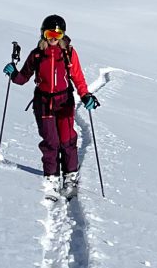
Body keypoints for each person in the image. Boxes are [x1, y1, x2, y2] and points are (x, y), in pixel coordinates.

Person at [5, 14, 100, 200]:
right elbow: (23, 78)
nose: (54, 39)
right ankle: (51, 178)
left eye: (58, 35)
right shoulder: (37, 55)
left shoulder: (69, 53)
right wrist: (13, 74)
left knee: (66, 139)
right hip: (43, 103)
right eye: (50, 34)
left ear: (63, 35)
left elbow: (78, 77)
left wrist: (86, 95)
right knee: (51, 142)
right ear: (43, 34)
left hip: (64, 101)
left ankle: (70, 177)